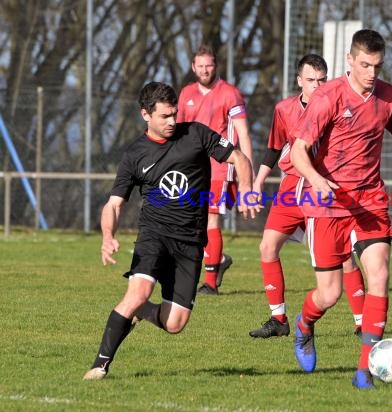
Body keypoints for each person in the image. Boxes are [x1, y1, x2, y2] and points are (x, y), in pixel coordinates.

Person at [289, 29, 392, 389]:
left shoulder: (389, 98)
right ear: (350, 60)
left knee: (379, 276)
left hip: (370, 200)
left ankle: (364, 371)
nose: (371, 72)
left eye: (377, 65)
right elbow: (299, 150)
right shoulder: (328, 97)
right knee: (329, 294)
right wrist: (315, 179)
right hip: (328, 203)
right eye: (364, 64)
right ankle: (303, 324)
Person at [83, 82, 257, 380]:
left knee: (175, 324)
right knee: (137, 292)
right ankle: (99, 364)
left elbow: (239, 158)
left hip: (190, 241)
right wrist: (107, 236)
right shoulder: (135, 154)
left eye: (174, 114)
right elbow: (113, 205)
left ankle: (144, 313)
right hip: (154, 235)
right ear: (145, 115)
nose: (172, 121)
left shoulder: (196, 134)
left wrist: (247, 192)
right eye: (165, 116)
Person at [249, 54, 366, 339]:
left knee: (345, 258)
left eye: (322, 79)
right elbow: (274, 148)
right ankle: (278, 319)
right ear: (299, 80)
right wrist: (257, 184)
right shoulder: (284, 109)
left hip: (324, 188)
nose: (317, 85)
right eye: (311, 80)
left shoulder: (337, 106)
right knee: (267, 247)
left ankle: (363, 322)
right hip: (292, 186)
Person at [177, 44, 254, 295]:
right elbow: (177, 132)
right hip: (191, 168)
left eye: (208, 65)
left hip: (220, 167)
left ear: (216, 66)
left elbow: (243, 134)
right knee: (191, 221)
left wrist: (248, 178)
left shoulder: (230, 94)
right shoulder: (186, 93)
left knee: (211, 217)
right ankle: (218, 260)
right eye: (199, 65)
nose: (204, 70)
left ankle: (210, 284)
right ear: (193, 67)